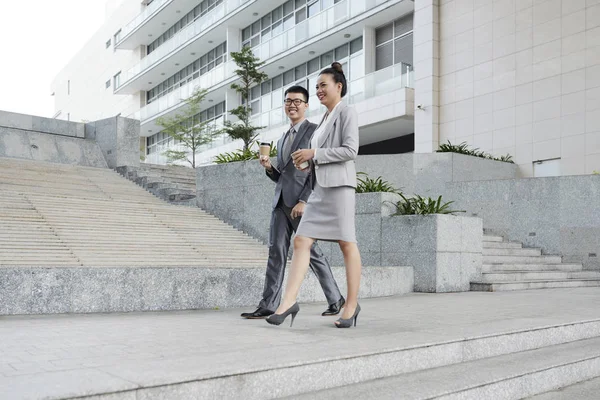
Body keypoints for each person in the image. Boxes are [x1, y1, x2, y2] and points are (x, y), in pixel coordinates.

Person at [266, 62, 362, 329]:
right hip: (320, 189)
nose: (318, 90)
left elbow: (350, 151)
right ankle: (288, 302)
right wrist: (307, 162)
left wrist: (314, 154)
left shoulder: (347, 112)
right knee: (301, 241)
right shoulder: (324, 119)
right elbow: (320, 156)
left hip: (340, 188)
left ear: (338, 87)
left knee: (346, 244)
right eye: (317, 86)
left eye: (323, 85)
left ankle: (351, 305)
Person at [240, 85, 345, 320]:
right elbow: (284, 175)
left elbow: (317, 170)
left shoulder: (315, 132)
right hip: (280, 203)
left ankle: (336, 298)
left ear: (306, 105)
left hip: (301, 204)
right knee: (275, 252)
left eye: (297, 101)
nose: (292, 105)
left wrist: (304, 200)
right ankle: (268, 304)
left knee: (311, 252)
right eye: (288, 101)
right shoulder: (283, 137)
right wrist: (269, 169)